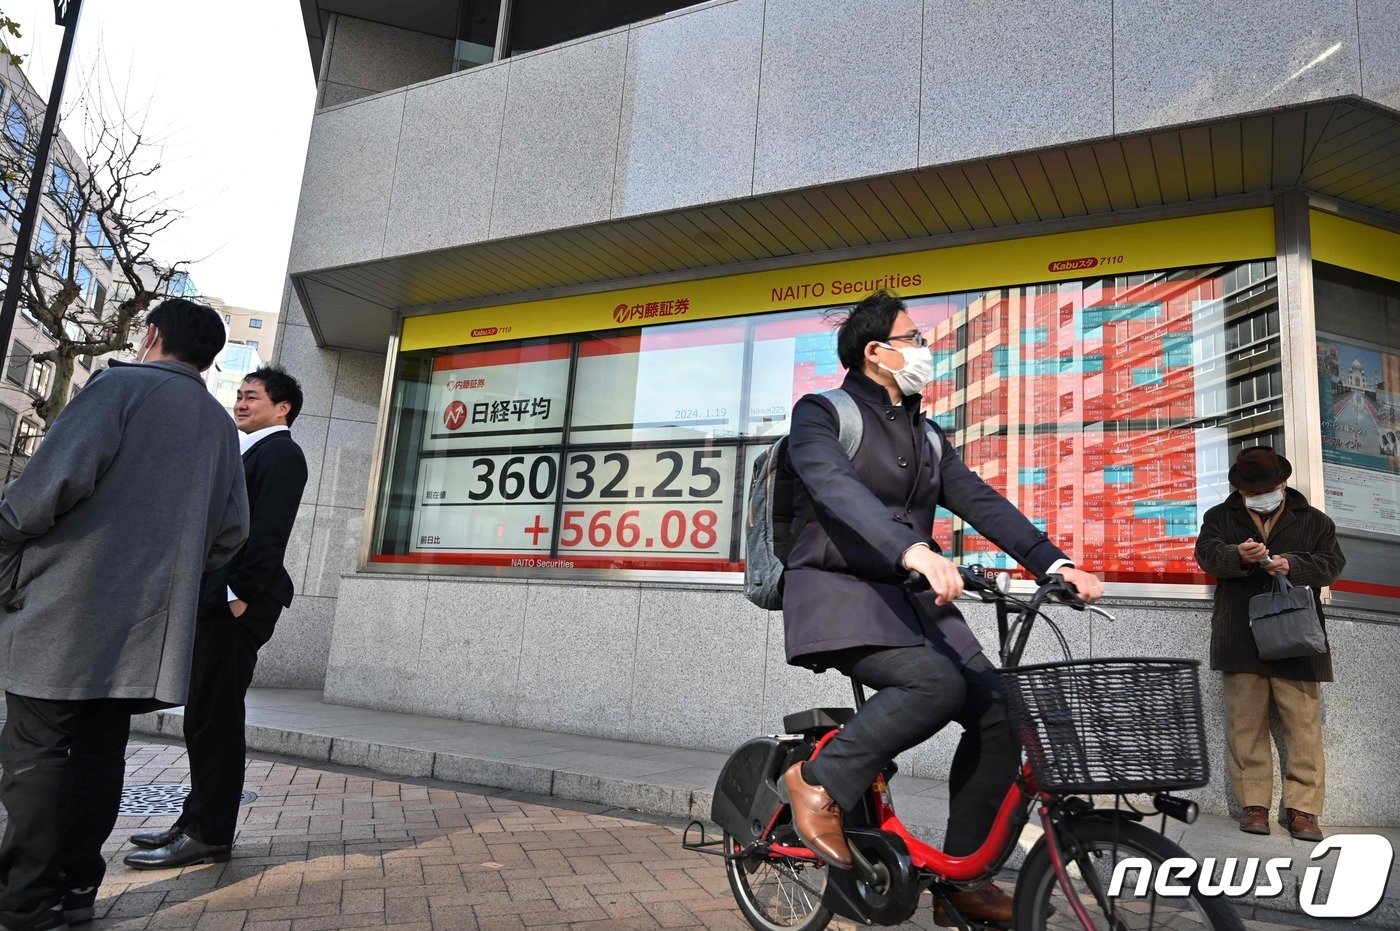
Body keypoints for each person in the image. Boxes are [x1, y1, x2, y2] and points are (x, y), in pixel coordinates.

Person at [780, 291, 1104, 926]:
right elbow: (835, 490)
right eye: (914, 339)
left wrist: (1054, 564)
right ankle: (818, 779)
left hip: (913, 600)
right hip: (838, 595)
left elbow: (980, 502)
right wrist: (912, 549)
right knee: (934, 684)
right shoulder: (821, 414)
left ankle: (963, 879)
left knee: (1002, 711)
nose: (925, 351)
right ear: (876, 352)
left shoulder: (927, 433)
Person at [0, 298, 249, 931]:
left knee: (37, 753)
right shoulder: (220, 425)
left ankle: (24, 901)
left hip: (65, 607)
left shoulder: (119, 386)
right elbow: (230, 533)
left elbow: (39, 495)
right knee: (101, 755)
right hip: (142, 626)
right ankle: (78, 890)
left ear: (153, 335)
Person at [125, 367, 309, 870]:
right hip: (215, 600)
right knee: (205, 716)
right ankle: (194, 821)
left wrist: (237, 595)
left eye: (252, 396)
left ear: (282, 408)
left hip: (236, 604)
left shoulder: (283, 454)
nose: (241, 402)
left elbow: (269, 533)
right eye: (240, 395)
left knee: (217, 720)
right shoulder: (249, 449)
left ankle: (209, 834)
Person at [1193, 446, 1344, 842]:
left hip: (1296, 633)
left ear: (1282, 482)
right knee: (1245, 725)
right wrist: (1237, 556)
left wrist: (1292, 564)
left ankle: (1304, 810)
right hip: (1240, 633)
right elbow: (1206, 557)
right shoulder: (1219, 517)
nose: (1260, 493)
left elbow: (1332, 565)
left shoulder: (1315, 520)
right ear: (1240, 489)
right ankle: (1253, 805)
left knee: (1304, 726)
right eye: (1250, 488)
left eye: (1266, 486)